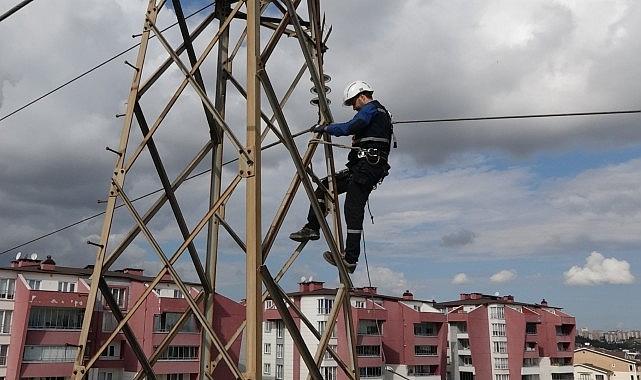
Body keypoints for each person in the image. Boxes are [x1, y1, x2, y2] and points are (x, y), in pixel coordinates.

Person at [289, 80, 393, 273]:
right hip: (361, 167)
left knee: (353, 209)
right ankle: (312, 227)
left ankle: (350, 259)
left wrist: (326, 128)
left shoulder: (371, 110)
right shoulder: (378, 114)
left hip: (367, 168)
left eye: (353, 102)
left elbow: (350, 127)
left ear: (362, 96)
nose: (353, 107)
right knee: (326, 185)